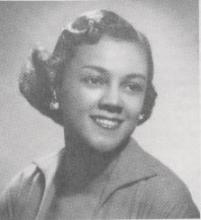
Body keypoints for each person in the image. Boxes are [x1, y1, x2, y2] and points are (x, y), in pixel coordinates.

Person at [0, 9, 199, 219]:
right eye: (94, 80)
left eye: (132, 86)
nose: (113, 101)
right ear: (56, 87)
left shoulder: (166, 202)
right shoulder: (24, 190)